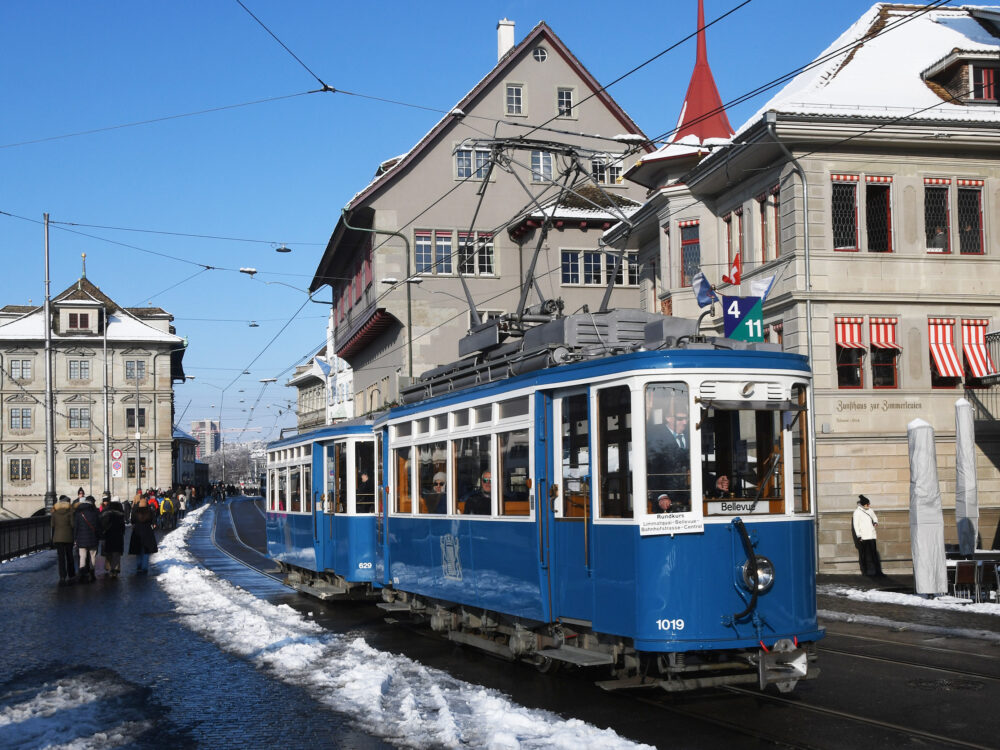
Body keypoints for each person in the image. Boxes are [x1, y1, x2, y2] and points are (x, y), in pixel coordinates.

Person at [73, 495, 102, 583]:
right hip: (93, 538)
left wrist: (75, 538)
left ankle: (82, 573)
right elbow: (98, 526)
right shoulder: (95, 512)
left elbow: (76, 527)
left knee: (82, 556)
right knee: (92, 556)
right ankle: (92, 573)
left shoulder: (79, 513)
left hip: (81, 539)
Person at [853, 495, 882, 576]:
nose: (868, 506)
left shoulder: (870, 510)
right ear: (862, 504)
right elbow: (856, 525)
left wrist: (875, 522)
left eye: (869, 504)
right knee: (863, 555)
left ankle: (877, 571)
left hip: (872, 535)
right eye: (867, 504)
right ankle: (864, 571)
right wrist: (859, 536)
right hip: (863, 537)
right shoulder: (857, 512)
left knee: (874, 554)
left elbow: (875, 517)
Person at [128, 497, 158, 575]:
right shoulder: (150, 511)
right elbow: (154, 521)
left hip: (137, 532)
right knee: (146, 551)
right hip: (147, 531)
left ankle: (139, 565)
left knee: (138, 550)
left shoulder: (135, 511)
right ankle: (144, 567)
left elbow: (132, 521)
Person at [51, 494, 76, 585]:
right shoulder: (70, 512)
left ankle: (62, 576)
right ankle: (71, 575)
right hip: (68, 537)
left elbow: (52, 525)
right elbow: (73, 525)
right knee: (69, 556)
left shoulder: (54, 512)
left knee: (61, 558)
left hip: (58, 538)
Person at [100, 497, 126, 578]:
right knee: (116, 552)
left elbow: (102, 523)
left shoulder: (106, 511)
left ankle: (110, 567)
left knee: (109, 551)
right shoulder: (121, 512)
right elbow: (122, 526)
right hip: (118, 535)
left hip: (108, 534)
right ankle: (115, 569)